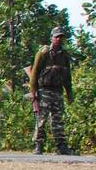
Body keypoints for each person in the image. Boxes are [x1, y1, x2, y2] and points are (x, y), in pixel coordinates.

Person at [29, 26, 75, 155]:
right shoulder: (43, 53)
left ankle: (61, 146)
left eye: (61, 37)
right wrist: (34, 92)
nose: (59, 39)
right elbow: (34, 73)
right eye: (57, 37)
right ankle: (38, 145)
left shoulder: (64, 55)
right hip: (44, 90)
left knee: (58, 120)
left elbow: (68, 76)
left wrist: (69, 93)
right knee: (41, 119)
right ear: (52, 38)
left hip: (58, 91)